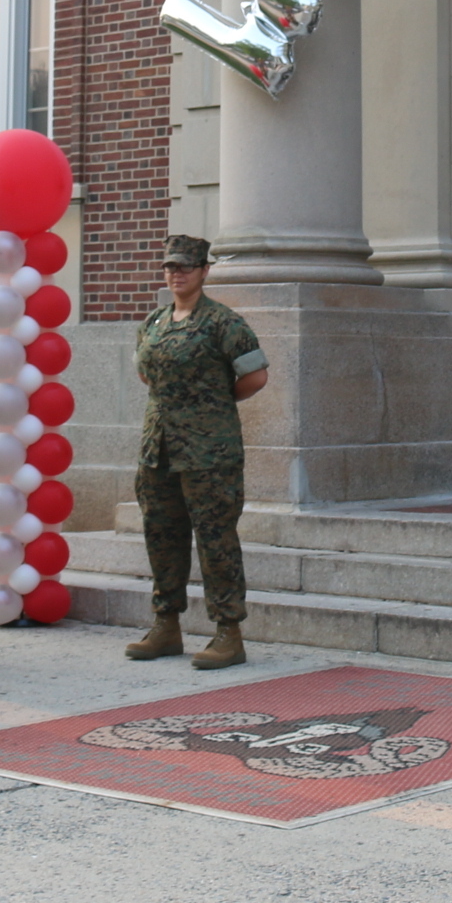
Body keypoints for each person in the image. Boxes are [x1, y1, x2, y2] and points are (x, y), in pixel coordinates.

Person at [126, 233, 269, 671]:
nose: (177, 273)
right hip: (160, 450)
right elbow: (148, 376)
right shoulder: (153, 323)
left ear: (204, 271)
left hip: (210, 453)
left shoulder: (225, 324)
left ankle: (229, 633)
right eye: (171, 266)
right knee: (162, 537)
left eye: (186, 266)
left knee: (215, 540)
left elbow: (255, 378)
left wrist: (210, 406)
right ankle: (166, 625)